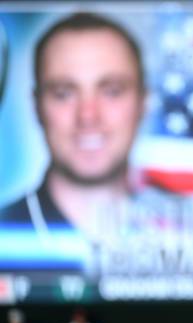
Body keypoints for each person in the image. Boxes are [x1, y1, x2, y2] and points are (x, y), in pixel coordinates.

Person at [0, 12, 145, 240]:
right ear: (37, 106)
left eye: (112, 91)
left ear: (143, 102)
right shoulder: (4, 232)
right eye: (63, 94)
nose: (88, 116)